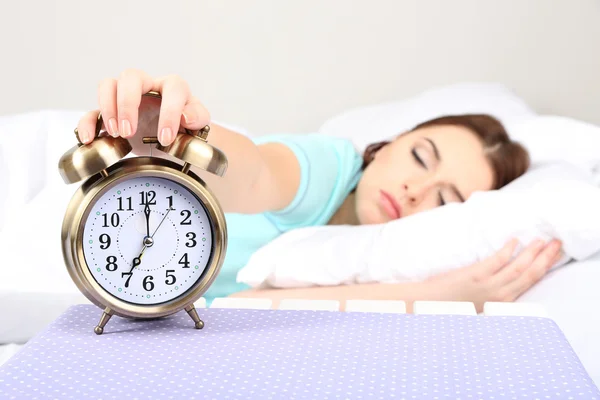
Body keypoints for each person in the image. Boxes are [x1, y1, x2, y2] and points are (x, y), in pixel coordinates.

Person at [77, 69, 562, 312]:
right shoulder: (328, 168)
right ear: (386, 146)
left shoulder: (407, 255)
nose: (416, 190)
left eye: (445, 198)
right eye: (420, 156)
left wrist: (442, 290)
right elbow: (255, 174)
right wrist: (181, 131)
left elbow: (252, 309)